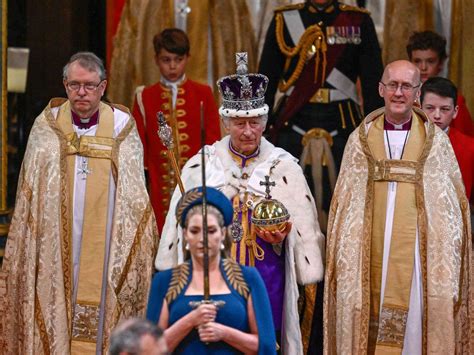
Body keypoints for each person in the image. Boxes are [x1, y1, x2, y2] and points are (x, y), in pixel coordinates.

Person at [155, 53, 325, 354]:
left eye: (255, 123)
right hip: (212, 277)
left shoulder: (284, 168)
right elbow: (181, 230)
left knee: (263, 341)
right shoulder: (202, 166)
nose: (248, 131)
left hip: (268, 274)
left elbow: (303, 236)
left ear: (265, 122)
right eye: (239, 123)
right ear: (225, 123)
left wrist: (285, 233)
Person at [0, 52, 158, 354]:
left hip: (105, 241)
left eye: (89, 85)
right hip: (57, 245)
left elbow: (134, 195)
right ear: (64, 84)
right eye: (74, 85)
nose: (81, 92)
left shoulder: (121, 127)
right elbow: (31, 193)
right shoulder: (47, 125)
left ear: (103, 86)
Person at [324, 60, 473, 354]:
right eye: (393, 85)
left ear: (418, 93)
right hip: (369, 251)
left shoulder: (436, 142)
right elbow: (345, 205)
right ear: (380, 89)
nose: (399, 93)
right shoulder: (360, 139)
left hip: (418, 253)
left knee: (415, 326)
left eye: (407, 86)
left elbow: (450, 209)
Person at [259, 0, 384, 232]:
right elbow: (268, 75)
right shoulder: (284, 19)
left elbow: (372, 80)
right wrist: (261, 125)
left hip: (342, 121)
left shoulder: (358, 21)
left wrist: (375, 128)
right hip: (294, 119)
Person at [147, 187, 276, 354]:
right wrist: (190, 320)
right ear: (185, 234)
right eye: (195, 231)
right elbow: (149, 349)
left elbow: (266, 347)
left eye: (211, 230)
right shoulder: (164, 282)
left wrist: (224, 333)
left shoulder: (248, 278)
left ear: (223, 234)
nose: (203, 239)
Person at [132, 28, 221, 230]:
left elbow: (213, 140)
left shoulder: (203, 93)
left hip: (196, 183)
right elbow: (139, 146)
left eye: (178, 59)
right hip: (158, 189)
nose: (172, 66)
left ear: (187, 58)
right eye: (166, 60)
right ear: (156, 59)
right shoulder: (144, 97)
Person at [406, 30, 474, 137]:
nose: (423, 68)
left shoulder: (455, 99)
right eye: (417, 61)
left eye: (430, 61)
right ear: (410, 62)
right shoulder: (403, 97)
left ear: (441, 63)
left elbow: (465, 141)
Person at [420, 77, 473, 200]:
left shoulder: (470, 148)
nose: (437, 115)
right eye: (430, 108)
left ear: (455, 111)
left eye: (445, 109)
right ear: (420, 108)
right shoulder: (406, 142)